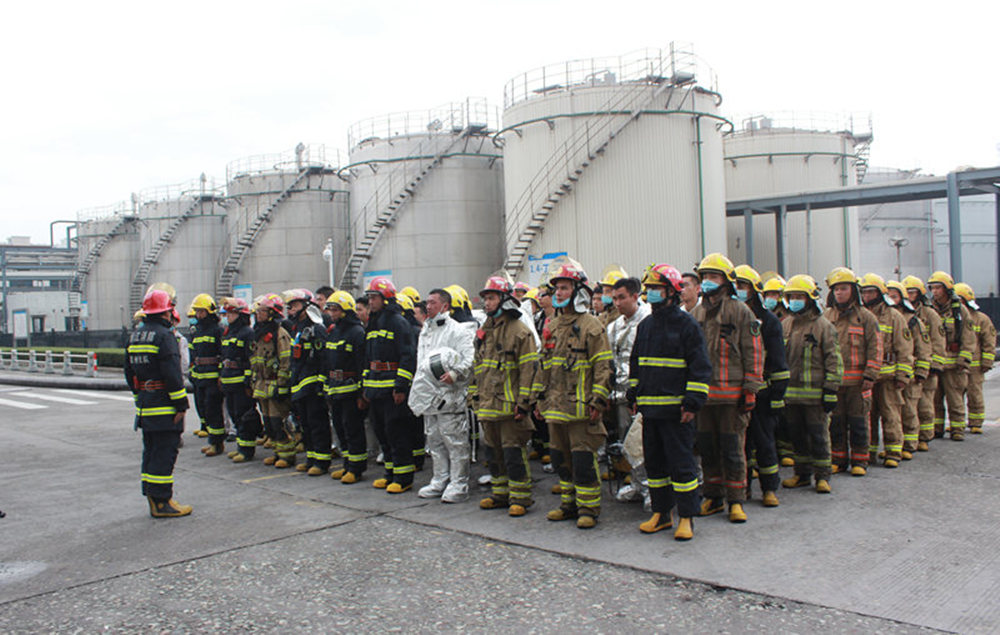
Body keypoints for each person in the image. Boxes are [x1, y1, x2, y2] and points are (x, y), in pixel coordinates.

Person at [628, 264, 711, 541]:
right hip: (650, 411)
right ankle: (662, 514)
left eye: (657, 288)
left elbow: (700, 367)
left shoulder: (687, 325)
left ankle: (686, 516)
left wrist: (692, 403)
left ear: (671, 292)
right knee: (655, 465)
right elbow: (637, 364)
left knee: (682, 465)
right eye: (649, 288)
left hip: (677, 412)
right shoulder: (646, 326)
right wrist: (633, 394)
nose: (651, 293)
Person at [536, 257, 613, 529]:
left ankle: (588, 509)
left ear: (579, 291)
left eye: (564, 288)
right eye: (556, 288)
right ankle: (568, 504)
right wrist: (539, 399)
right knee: (560, 458)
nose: (558, 293)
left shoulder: (592, 325)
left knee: (582, 460)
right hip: (556, 407)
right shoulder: (551, 326)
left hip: (581, 408)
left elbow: (603, 367)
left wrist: (598, 400)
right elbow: (543, 366)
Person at [690, 254, 764, 524]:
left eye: (714, 276)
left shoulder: (740, 312)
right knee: (708, 449)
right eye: (705, 277)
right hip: (704, 398)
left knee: (733, 450)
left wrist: (751, 388)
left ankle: (736, 500)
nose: (708, 281)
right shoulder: (695, 313)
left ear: (726, 281)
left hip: (732, 398)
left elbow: (754, 351)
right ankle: (713, 496)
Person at [471, 277, 541, 515]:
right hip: (488, 406)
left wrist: (524, 404)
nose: (487, 303)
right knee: (493, 453)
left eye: (491, 298)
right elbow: (477, 367)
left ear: (504, 300)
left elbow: (529, 370)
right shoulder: (485, 330)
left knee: (513, 454)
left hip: (511, 408)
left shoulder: (519, 331)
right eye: (485, 298)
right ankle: (500, 494)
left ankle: (520, 498)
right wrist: (474, 397)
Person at [125, 289, 192, 518]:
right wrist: (181, 405)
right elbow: (172, 374)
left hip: (146, 405)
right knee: (165, 453)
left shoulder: (135, 336)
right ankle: (163, 502)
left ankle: (153, 498)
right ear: (166, 312)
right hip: (165, 406)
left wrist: (139, 399)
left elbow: (129, 372)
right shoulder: (165, 336)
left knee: (151, 451)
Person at [410, 288, 475, 503]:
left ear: (445, 306)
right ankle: (440, 479)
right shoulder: (426, 330)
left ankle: (459, 484)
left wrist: (455, 374)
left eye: (433, 303)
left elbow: (470, 359)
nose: (428, 306)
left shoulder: (457, 330)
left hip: (450, 395)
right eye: (427, 303)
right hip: (429, 396)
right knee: (435, 441)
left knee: (455, 442)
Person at [778, 275, 842, 493]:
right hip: (791, 396)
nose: (795, 301)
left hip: (815, 396)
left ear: (810, 299)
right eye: (792, 297)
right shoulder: (786, 325)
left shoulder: (823, 326)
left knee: (819, 436)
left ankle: (822, 476)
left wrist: (831, 389)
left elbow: (834, 359)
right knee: (797, 436)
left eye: (800, 296)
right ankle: (802, 474)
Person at [734, 265, 789, 507]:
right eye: (736, 285)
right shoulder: (731, 316)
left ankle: (769, 488)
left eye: (742, 286)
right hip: (735, 392)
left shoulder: (769, 321)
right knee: (740, 444)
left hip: (762, 392)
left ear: (753, 290)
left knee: (764, 441)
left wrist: (777, 395)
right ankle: (743, 487)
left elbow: (778, 361)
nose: (738, 290)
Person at [823, 267, 882, 476]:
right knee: (836, 422)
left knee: (859, 422)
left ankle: (860, 460)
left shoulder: (866, 317)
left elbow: (875, 347)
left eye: (844, 288)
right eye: (836, 289)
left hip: (858, 383)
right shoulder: (826, 317)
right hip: (835, 381)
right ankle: (838, 459)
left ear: (853, 291)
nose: (839, 293)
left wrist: (870, 374)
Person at [362, 277, 418, 493]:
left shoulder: (398, 322)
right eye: (369, 298)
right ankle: (390, 473)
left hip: (392, 389)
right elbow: (368, 358)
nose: (371, 302)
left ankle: (403, 478)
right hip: (375, 388)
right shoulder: (373, 323)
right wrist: (366, 388)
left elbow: (407, 356)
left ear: (386, 299)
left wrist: (401, 386)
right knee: (382, 433)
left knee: (397, 433)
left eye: (374, 298)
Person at [859, 273, 913, 468]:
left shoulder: (894, 316)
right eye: (864, 292)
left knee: (891, 414)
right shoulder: (859, 315)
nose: (867, 296)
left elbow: (905, 348)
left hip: (888, 376)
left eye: (871, 292)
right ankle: (870, 452)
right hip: (866, 376)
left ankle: (893, 452)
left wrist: (902, 376)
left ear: (880, 293)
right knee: (868, 416)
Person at [606, 276, 651, 502]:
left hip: (645, 395)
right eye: (614, 298)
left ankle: (652, 489)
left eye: (621, 298)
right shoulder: (614, 326)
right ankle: (637, 483)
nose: (617, 303)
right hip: (621, 394)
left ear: (635, 296)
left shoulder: (648, 321)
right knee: (628, 444)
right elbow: (610, 360)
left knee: (645, 444)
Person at [324, 292, 369, 483]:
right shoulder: (334, 331)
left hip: (351, 391)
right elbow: (327, 362)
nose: (332, 314)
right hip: (335, 389)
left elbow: (361, 364)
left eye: (335, 310)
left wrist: (361, 394)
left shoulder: (357, 333)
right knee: (340, 429)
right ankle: (347, 464)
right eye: (331, 310)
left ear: (345, 311)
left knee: (353, 429)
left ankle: (356, 468)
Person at [285, 289, 331, 475]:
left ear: (306, 306)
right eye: (290, 306)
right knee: (305, 424)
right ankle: (311, 458)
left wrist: (321, 384)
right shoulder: (296, 328)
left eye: (295, 306)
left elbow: (323, 359)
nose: (291, 310)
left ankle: (322, 461)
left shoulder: (316, 328)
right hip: (299, 384)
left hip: (312, 386)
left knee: (317, 423)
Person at [927, 271, 976, 441]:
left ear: (947, 289)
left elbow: (969, 337)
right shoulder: (929, 309)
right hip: (936, 362)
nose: (935, 291)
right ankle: (937, 428)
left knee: (955, 397)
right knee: (935, 399)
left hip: (954, 363)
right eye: (932, 288)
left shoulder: (959, 310)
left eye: (938, 288)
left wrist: (964, 359)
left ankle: (957, 429)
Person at [886, 280, 931, 459]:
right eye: (888, 296)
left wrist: (921, 371)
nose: (891, 300)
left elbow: (923, 348)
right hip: (891, 374)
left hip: (910, 373)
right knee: (893, 412)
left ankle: (910, 444)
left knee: (909, 409)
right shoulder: (886, 317)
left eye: (895, 296)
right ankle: (896, 443)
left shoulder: (913, 321)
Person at [903, 275, 947, 451]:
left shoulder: (930, 315)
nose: (909, 295)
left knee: (925, 404)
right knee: (909, 406)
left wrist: (934, 366)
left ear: (919, 294)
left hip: (927, 366)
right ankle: (911, 438)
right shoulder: (902, 313)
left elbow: (938, 341)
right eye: (907, 292)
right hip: (910, 366)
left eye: (912, 292)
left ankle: (925, 437)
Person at [252, 293, 295, 468]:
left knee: (278, 422)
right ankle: (277, 453)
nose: (258, 314)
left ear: (271, 313)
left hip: (275, 384)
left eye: (262, 311)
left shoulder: (280, 334)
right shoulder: (260, 333)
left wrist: (282, 384)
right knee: (269, 423)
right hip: (262, 384)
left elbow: (286, 361)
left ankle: (287, 455)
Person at [219, 298, 257, 462]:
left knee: (244, 416)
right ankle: (240, 446)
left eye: (231, 313)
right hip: (229, 380)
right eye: (227, 313)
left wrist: (248, 381)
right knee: (234, 414)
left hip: (241, 382)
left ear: (240, 314)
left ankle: (247, 449)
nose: (227, 316)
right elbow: (224, 356)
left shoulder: (247, 333)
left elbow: (250, 359)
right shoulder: (228, 332)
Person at [954, 282, 994, 434]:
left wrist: (987, 361)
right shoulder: (954, 318)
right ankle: (957, 422)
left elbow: (989, 342)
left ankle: (976, 422)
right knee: (956, 395)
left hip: (975, 366)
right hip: (957, 364)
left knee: (974, 394)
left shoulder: (981, 319)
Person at [189, 293, 226, 456]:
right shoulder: (196, 331)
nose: (198, 315)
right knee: (204, 409)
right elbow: (193, 354)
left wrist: (221, 375)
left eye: (201, 311)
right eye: (197, 311)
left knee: (213, 410)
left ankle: (217, 443)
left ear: (209, 312)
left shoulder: (217, 330)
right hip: (199, 377)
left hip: (213, 378)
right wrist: (192, 373)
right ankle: (212, 440)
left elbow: (223, 353)